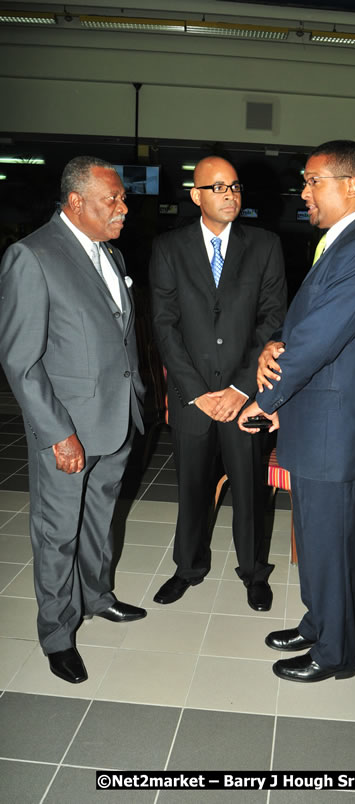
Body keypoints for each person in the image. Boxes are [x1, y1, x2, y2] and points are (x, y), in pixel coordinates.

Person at [238, 140, 355, 682]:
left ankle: (335, 653)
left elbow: (318, 341)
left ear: (351, 186)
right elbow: (304, 326)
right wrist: (271, 345)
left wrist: (261, 400)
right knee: (314, 537)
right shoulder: (340, 242)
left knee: (334, 544)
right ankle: (318, 622)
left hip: (337, 432)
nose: (303, 193)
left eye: (313, 181)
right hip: (317, 422)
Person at [0, 156, 147, 684]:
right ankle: (57, 633)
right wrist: (59, 432)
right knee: (57, 533)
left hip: (116, 418)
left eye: (123, 198)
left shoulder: (108, 251)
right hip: (68, 429)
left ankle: (97, 596)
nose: (123, 209)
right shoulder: (32, 256)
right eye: (114, 199)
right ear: (76, 201)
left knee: (100, 520)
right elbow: (20, 360)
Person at [150, 156, 286, 611]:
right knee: (190, 487)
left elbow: (272, 321)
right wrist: (198, 393)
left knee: (249, 489)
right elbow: (165, 326)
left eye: (235, 186)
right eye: (218, 187)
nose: (230, 194)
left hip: (244, 398)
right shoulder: (169, 248)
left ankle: (253, 573)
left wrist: (241, 389)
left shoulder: (264, 245)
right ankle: (187, 568)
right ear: (196, 196)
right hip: (193, 398)